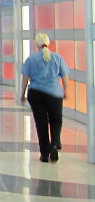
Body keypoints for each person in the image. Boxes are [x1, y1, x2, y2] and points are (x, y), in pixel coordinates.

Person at [20, 33, 69, 163]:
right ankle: (54, 145)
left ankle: (44, 154)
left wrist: (22, 94)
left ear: (36, 45)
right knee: (56, 120)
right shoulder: (57, 58)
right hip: (54, 94)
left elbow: (25, 78)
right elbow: (65, 77)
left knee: (41, 124)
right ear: (48, 43)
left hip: (36, 94)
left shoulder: (31, 59)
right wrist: (66, 92)